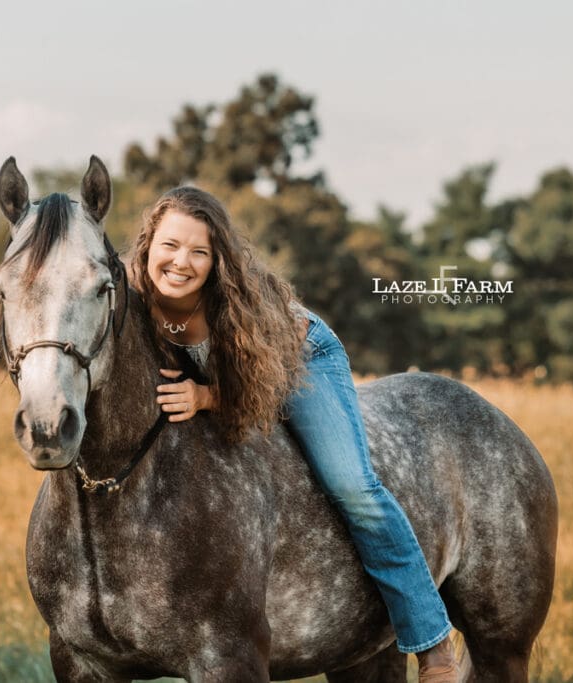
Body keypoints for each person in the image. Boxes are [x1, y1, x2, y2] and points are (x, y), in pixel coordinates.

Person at [128, 186, 457, 682]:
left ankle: (433, 644)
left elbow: (259, 390)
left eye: (200, 252)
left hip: (294, 361)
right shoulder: (129, 294)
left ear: (217, 261)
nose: (182, 262)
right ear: (147, 244)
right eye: (170, 245)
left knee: (353, 485)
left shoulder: (237, 305)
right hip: (230, 376)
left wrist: (203, 397)